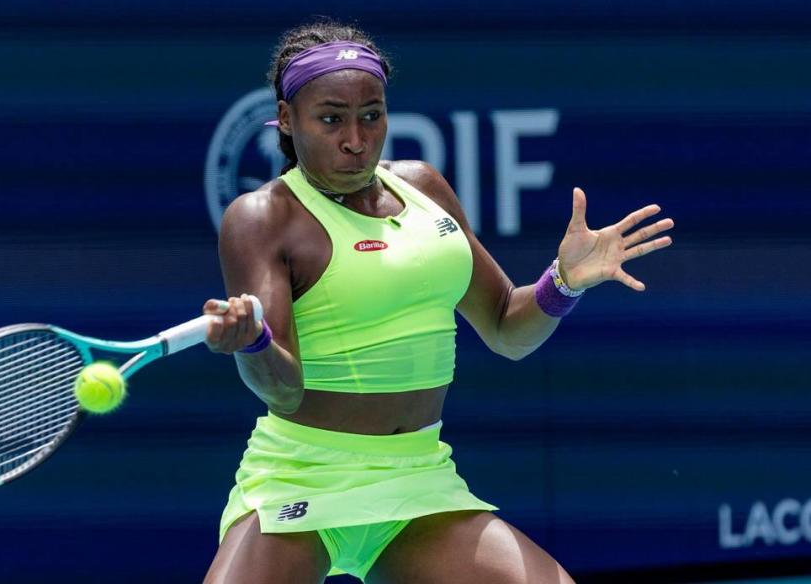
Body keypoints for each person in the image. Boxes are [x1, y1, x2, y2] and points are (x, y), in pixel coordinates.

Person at [201, 20, 673, 584]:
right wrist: (251, 342)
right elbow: (283, 387)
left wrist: (563, 281)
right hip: (302, 480)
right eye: (331, 119)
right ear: (286, 119)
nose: (356, 139)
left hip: (419, 482)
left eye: (371, 115)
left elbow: (505, 328)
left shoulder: (423, 187)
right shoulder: (262, 218)